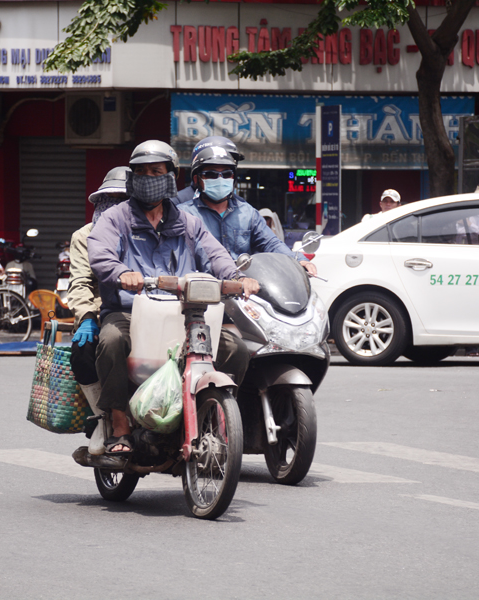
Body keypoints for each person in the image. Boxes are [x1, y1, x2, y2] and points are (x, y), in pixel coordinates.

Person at [84, 140, 259, 459]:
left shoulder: (189, 222)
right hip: (129, 313)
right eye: (140, 172)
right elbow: (99, 253)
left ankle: (211, 415)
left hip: (183, 313)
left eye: (155, 171)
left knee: (236, 350)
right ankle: (119, 423)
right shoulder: (115, 218)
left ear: (170, 177)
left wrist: (236, 277)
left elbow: (215, 253)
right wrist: (122, 272)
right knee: (110, 341)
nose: (148, 178)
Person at [178, 143, 317, 275]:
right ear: (197, 180)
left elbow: (271, 243)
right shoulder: (184, 215)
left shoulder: (248, 213)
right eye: (211, 174)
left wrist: (298, 260)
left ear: (233, 178)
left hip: (244, 291)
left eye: (226, 174)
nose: (220, 179)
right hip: (201, 290)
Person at [67, 166, 130, 456]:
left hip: (149, 308)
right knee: (84, 350)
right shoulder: (85, 236)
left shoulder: (146, 230)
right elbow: (80, 282)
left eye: (123, 200)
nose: (114, 208)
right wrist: (87, 317)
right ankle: (104, 419)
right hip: (101, 309)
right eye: (109, 200)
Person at [175, 136, 245, 205]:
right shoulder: (179, 203)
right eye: (211, 173)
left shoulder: (240, 205)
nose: (220, 177)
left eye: (227, 173)